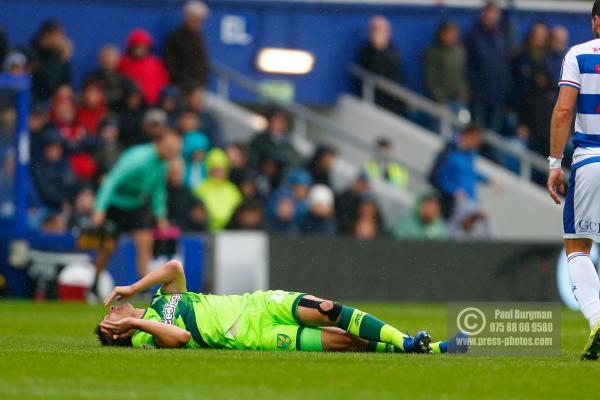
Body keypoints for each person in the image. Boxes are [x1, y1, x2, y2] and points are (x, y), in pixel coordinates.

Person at [96, 259, 466, 353]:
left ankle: (405, 343)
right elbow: (179, 335)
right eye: (107, 320)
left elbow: (173, 268)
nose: (110, 309)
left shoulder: (162, 298)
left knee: (326, 308)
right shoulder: (148, 338)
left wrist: (131, 286)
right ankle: (429, 348)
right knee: (344, 342)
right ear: (116, 332)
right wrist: (136, 326)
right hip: (256, 335)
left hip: (260, 304)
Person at [547, 0, 600, 360]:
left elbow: (565, 109)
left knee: (578, 247)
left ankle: (598, 320)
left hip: (592, 160)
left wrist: (554, 163)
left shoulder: (579, 55)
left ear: (597, 20)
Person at [90, 129, 182, 297]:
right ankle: (93, 285)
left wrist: (160, 215)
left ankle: (142, 288)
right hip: (115, 203)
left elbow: (158, 190)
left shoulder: (162, 164)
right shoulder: (138, 158)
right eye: (172, 146)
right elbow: (111, 181)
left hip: (136, 204)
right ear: (159, 143)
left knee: (145, 242)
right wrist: (99, 209)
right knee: (106, 248)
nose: (175, 150)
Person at [465, 1, 511, 131]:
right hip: (479, 95)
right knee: (477, 132)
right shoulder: (473, 36)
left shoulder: (502, 36)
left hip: (498, 95)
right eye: (489, 13)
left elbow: (504, 65)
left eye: (495, 14)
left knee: (494, 134)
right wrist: (474, 87)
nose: (492, 17)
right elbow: (469, 65)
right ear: (483, 14)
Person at [429, 124, 490, 219]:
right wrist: (453, 191)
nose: (478, 144)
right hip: (450, 204)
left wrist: (487, 180)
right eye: (477, 140)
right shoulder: (449, 151)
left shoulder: (471, 154)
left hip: (469, 203)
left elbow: (470, 173)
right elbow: (435, 177)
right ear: (469, 135)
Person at [355, 15, 405, 114]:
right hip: (376, 100)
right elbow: (372, 71)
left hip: (394, 101)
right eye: (377, 30)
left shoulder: (393, 50)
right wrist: (377, 50)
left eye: (384, 31)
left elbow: (398, 75)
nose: (381, 34)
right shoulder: (366, 51)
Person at [423, 21, 469, 111]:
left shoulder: (460, 50)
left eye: (455, 33)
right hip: (441, 102)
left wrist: (464, 92)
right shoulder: (433, 52)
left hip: (459, 99)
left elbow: (463, 74)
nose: (453, 36)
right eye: (449, 33)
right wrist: (439, 100)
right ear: (441, 34)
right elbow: (430, 79)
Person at [193, 148, 242, 232]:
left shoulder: (233, 190)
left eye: (220, 169)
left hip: (230, 233)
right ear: (208, 169)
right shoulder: (199, 189)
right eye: (214, 169)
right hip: (205, 232)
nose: (217, 173)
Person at [163, 1, 210, 89]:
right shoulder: (176, 37)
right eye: (196, 19)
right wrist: (190, 88)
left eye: (201, 20)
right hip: (181, 88)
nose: (199, 23)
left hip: (198, 88)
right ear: (188, 17)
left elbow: (202, 64)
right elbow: (171, 66)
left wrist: (200, 86)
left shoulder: (199, 37)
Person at [118, 29, 169, 106]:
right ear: (131, 47)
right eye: (137, 46)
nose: (140, 50)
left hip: (154, 103)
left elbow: (164, 81)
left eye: (143, 47)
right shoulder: (124, 63)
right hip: (130, 104)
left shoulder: (155, 62)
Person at [29, 21, 72, 102]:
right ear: (48, 35)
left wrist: (64, 60)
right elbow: (49, 84)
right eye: (59, 36)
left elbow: (66, 80)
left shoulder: (59, 54)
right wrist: (61, 60)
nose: (62, 40)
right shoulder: (31, 52)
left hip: (54, 103)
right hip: (34, 102)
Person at [167, 157, 207, 232]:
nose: (177, 173)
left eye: (179, 171)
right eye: (174, 170)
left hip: (188, 233)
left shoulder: (188, 193)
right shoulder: (161, 193)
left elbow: (197, 215)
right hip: (170, 234)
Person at [88, 45, 131, 111]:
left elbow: (131, 100)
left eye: (110, 57)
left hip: (119, 114)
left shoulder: (124, 79)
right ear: (99, 59)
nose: (107, 60)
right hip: (96, 114)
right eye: (105, 56)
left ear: (117, 59)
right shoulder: (91, 78)